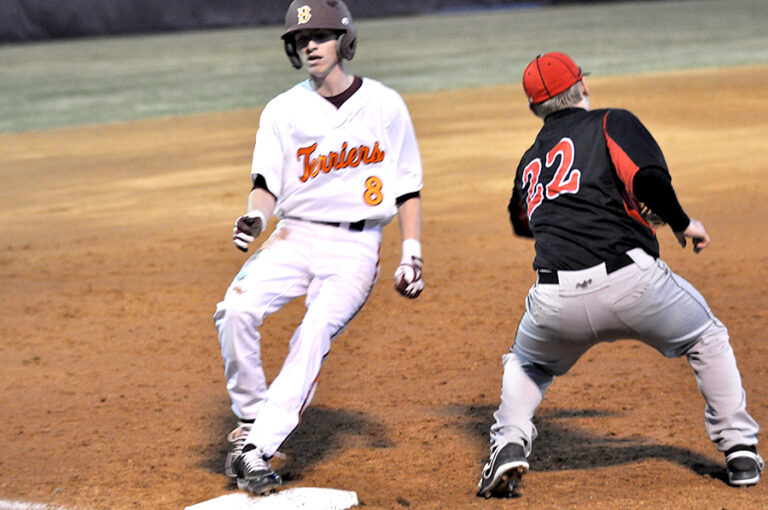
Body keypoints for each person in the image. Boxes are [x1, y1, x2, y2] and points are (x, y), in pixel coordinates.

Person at [477, 52, 762, 498]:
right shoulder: (611, 122)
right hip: (634, 285)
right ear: (583, 88)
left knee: (527, 362)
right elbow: (647, 178)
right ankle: (740, 450)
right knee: (705, 337)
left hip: (556, 300)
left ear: (535, 108)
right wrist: (684, 223)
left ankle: (509, 441)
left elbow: (521, 222)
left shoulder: (528, 161)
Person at [213, 0, 425, 496]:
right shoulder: (282, 111)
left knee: (312, 334)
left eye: (321, 36)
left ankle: (255, 449)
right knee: (234, 310)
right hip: (294, 235)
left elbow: (407, 188)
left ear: (344, 41)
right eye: (300, 40)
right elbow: (266, 184)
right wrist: (256, 217)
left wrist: (410, 252)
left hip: (355, 247)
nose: (309, 45)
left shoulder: (384, 105)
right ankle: (250, 419)